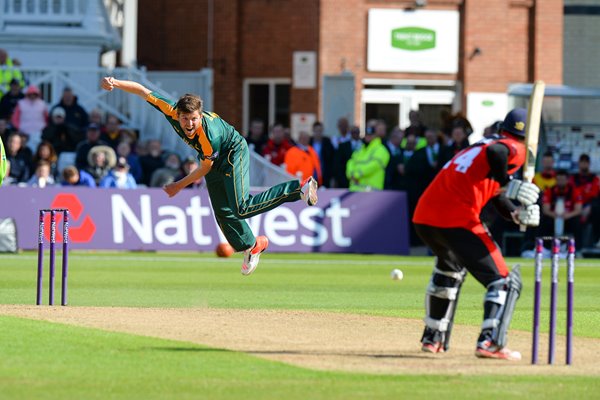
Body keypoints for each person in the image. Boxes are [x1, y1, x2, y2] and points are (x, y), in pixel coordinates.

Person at [101, 76, 318, 275]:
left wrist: (179, 185)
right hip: (212, 158)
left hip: (232, 152)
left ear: (199, 115)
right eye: (185, 118)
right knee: (223, 212)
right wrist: (115, 82)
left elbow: (205, 167)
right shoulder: (170, 109)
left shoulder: (207, 136)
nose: (189, 124)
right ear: (177, 114)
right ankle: (251, 246)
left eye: (194, 119)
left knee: (241, 208)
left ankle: (298, 188)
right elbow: (143, 92)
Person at [412, 108, 541, 360]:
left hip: (425, 217)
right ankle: (490, 342)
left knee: (449, 270)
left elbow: (495, 195)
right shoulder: (512, 147)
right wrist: (508, 182)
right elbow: (499, 154)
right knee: (503, 280)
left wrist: (515, 213)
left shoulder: (478, 147)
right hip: (457, 218)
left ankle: (433, 339)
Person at [345, 122, 390, 192]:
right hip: (354, 190)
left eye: (371, 135)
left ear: (376, 135)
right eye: (367, 134)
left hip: (372, 191)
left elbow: (373, 166)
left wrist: (356, 174)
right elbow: (350, 162)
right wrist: (351, 174)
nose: (368, 137)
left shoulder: (382, 150)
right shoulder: (360, 149)